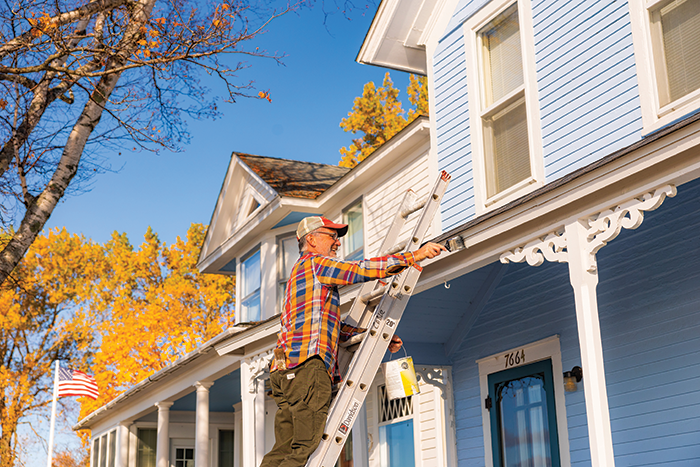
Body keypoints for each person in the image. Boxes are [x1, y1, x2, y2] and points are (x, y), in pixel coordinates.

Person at [260, 215, 446, 467]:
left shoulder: (298, 274)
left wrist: (371, 336)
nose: (337, 243)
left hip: (283, 372)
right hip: (307, 369)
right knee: (303, 448)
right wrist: (415, 256)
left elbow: (327, 326)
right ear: (312, 239)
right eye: (332, 236)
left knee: (282, 451)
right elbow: (359, 270)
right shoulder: (317, 263)